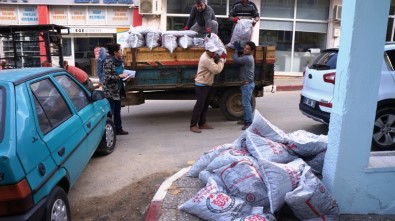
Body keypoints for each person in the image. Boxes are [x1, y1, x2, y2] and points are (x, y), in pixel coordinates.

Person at [190, 42, 227, 133]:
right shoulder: (206, 59)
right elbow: (216, 69)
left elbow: (213, 59)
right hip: (202, 85)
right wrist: (222, 59)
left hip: (206, 84)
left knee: (205, 105)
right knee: (199, 106)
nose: (214, 54)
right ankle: (193, 125)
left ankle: (202, 123)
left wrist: (217, 57)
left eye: (215, 52)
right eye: (212, 52)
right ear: (207, 51)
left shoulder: (208, 55)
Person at [102, 43, 129, 135]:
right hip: (110, 92)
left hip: (118, 90)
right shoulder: (108, 61)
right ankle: (107, 131)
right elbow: (107, 77)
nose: (121, 52)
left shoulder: (119, 61)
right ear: (115, 52)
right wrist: (120, 76)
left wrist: (126, 77)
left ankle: (118, 129)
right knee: (110, 112)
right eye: (120, 50)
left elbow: (120, 73)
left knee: (118, 111)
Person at [233, 41, 256, 130]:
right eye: (245, 48)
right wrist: (240, 50)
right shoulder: (247, 57)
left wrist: (235, 51)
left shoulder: (248, 59)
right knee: (245, 103)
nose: (245, 50)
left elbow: (236, 60)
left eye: (248, 49)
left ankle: (249, 122)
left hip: (247, 85)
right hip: (246, 84)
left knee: (246, 104)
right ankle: (245, 119)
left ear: (252, 51)